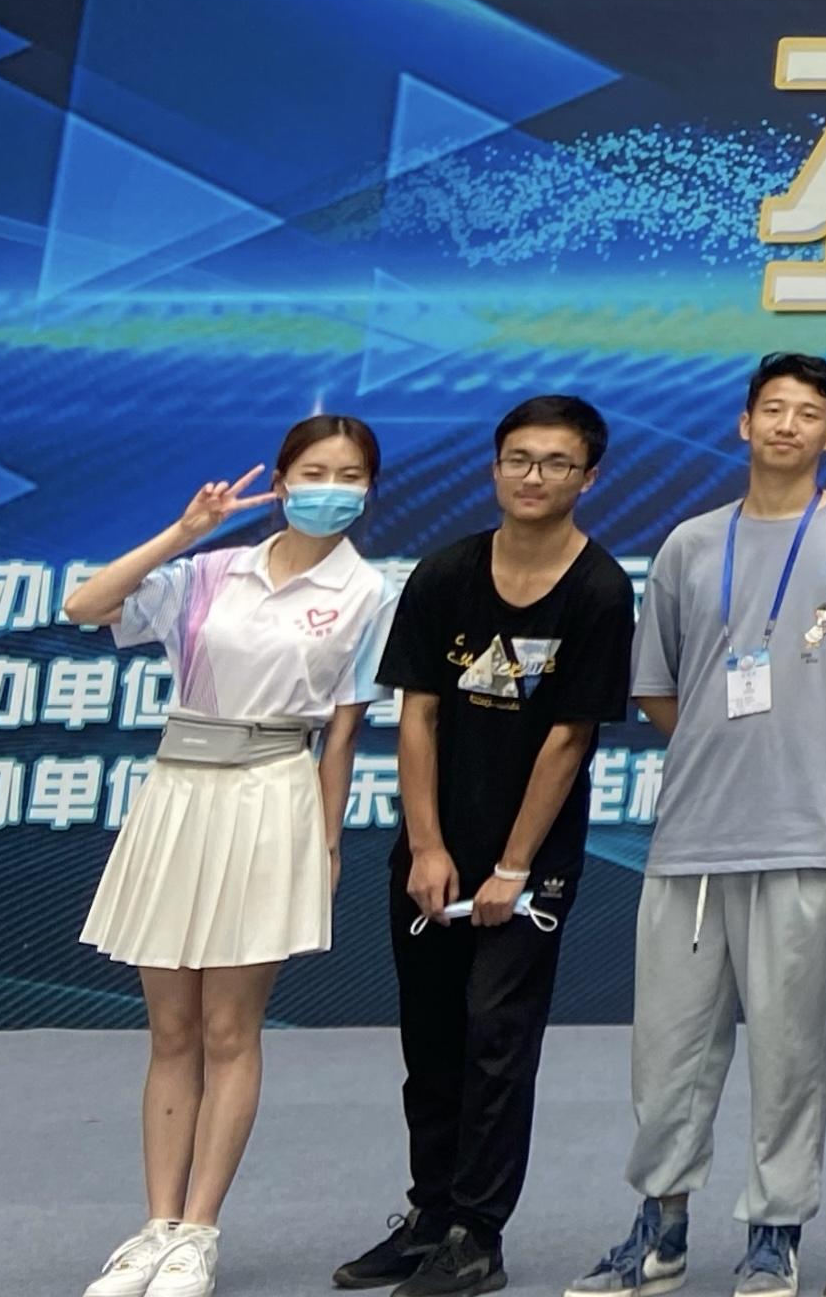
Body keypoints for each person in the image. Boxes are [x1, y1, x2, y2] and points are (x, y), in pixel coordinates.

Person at [571, 354, 826, 1297]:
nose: (788, 425)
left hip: (803, 833)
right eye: (773, 409)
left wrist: (818, 750)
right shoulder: (690, 542)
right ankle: (660, 1227)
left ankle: (774, 1231)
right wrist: (725, 748)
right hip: (691, 838)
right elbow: (660, 685)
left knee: (791, 1050)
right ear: (743, 424)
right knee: (668, 1053)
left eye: (808, 413)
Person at [69, 416, 389, 1297]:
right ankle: (155, 1228)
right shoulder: (212, 571)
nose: (332, 489)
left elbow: (343, 735)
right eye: (315, 472)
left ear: (370, 490)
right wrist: (185, 531)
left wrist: (326, 841)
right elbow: (85, 606)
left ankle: (199, 1233)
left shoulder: (367, 592)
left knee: (227, 1031)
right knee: (171, 1031)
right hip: (178, 796)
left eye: (351, 476)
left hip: (271, 798)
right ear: (281, 482)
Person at [338, 395, 637, 1297]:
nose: (533, 477)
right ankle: (429, 1217)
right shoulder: (445, 573)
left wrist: (513, 867)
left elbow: (569, 738)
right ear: (495, 467)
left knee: (496, 1040)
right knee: (430, 1040)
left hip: (529, 864)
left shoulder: (599, 589)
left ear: (589, 476)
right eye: (518, 459)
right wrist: (427, 847)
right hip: (434, 853)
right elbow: (418, 715)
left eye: (556, 463)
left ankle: (478, 1233)